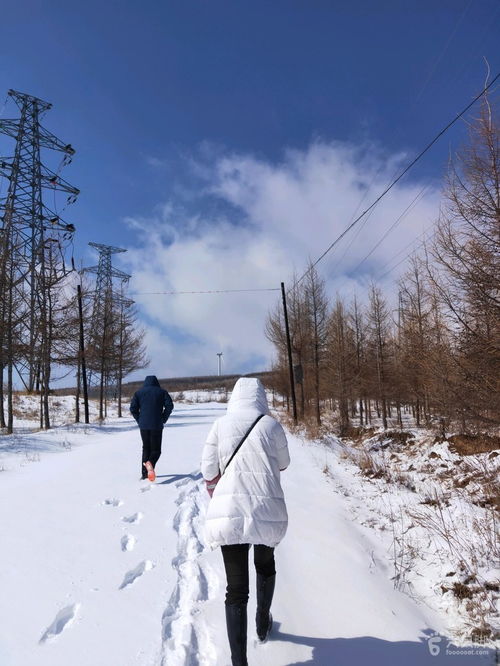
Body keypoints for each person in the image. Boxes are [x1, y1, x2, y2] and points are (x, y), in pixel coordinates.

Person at [201, 377, 290, 666]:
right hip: (266, 508)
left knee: (236, 590)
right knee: (265, 565)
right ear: (261, 397)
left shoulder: (220, 425)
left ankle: (239, 662)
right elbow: (284, 463)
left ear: (235, 397)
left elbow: (208, 470)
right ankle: (263, 623)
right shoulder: (272, 425)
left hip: (230, 510)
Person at [130, 375, 174, 481]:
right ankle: (150, 463)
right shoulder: (162, 392)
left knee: (146, 448)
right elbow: (169, 406)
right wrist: (163, 418)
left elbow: (133, 408)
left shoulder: (138, 393)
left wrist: (139, 420)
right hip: (156, 425)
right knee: (156, 450)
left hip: (143, 426)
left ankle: (145, 474)